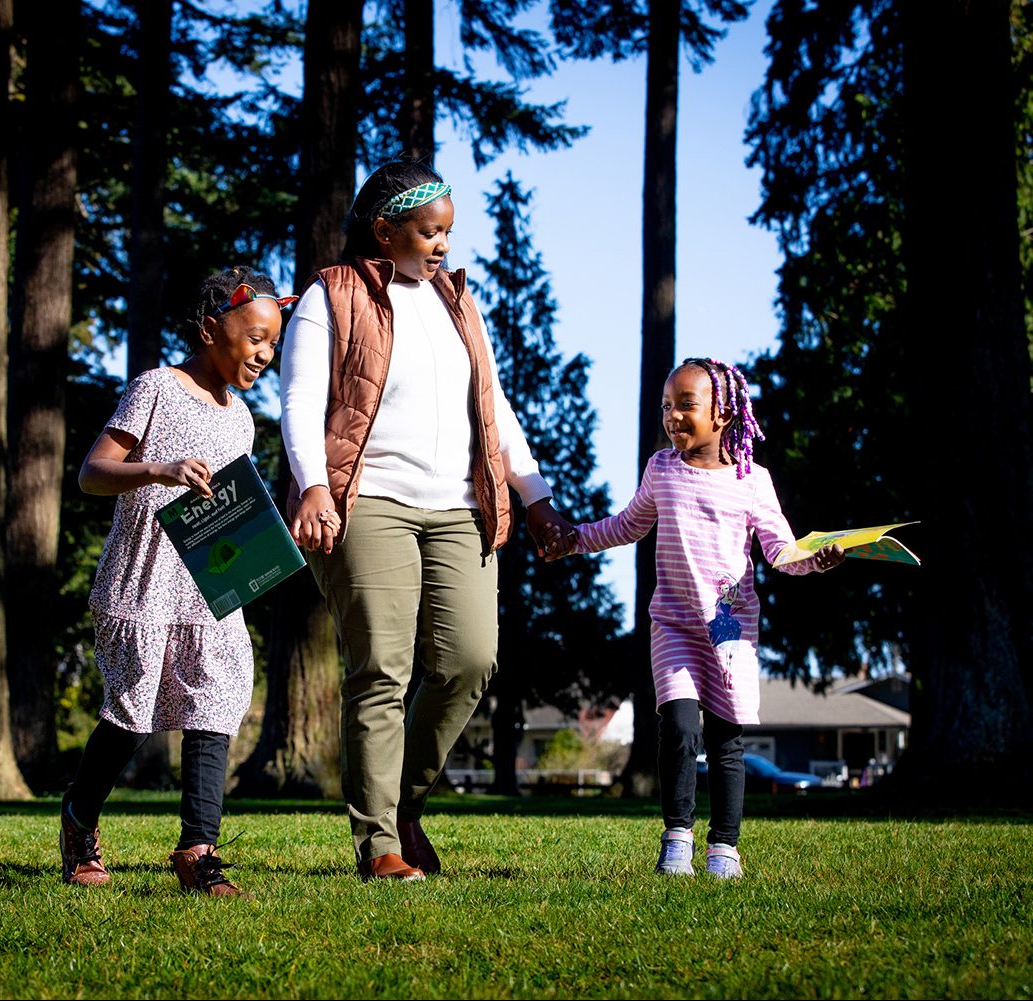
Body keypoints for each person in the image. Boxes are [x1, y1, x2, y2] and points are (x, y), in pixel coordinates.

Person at [280, 160, 576, 881]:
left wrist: (533, 496)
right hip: (369, 498)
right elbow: (298, 398)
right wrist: (314, 487)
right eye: (427, 230)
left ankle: (403, 803)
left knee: (470, 659)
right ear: (385, 229)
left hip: (461, 506)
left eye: (446, 231)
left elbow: (495, 408)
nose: (441, 244)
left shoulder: (459, 304)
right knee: (382, 664)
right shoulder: (333, 294)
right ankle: (378, 841)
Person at [544, 358, 844, 879]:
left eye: (687, 405)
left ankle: (724, 848)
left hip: (729, 626)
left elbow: (780, 551)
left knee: (727, 738)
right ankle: (676, 838)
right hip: (675, 623)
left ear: (723, 412)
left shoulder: (754, 481)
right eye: (667, 406)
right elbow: (627, 525)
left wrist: (816, 559)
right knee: (680, 728)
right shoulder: (662, 469)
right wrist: (575, 540)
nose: (673, 416)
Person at [60, 265, 299, 897]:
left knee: (216, 703)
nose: (265, 354)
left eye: (272, 342)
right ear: (209, 330)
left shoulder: (243, 418)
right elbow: (93, 473)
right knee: (132, 714)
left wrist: (259, 554)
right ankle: (80, 817)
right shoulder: (156, 388)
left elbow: (228, 511)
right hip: (143, 578)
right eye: (254, 338)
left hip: (209, 587)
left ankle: (198, 850)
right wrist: (159, 469)